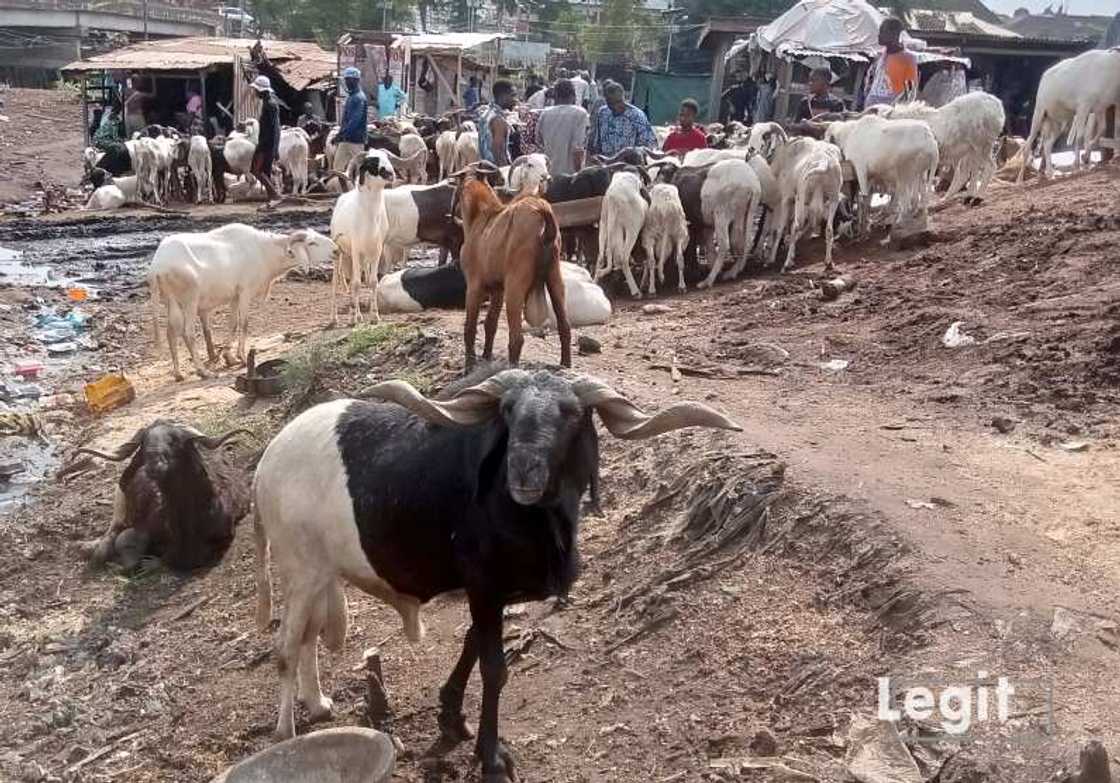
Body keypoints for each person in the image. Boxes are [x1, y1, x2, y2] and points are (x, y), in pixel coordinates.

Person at [587, 80, 656, 157]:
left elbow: (649, 144)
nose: (615, 106)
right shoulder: (603, 113)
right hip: (606, 162)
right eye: (611, 103)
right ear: (606, 101)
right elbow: (597, 141)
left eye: (618, 102)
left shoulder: (637, 116)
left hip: (628, 164)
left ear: (624, 98)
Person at [862, 17, 919, 109]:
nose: (879, 35)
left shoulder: (907, 58)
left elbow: (910, 91)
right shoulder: (879, 56)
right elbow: (869, 83)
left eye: (882, 32)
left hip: (890, 110)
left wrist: (899, 110)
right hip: (871, 109)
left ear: (894, 34)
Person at [536, 79, 589, 175]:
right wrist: (579, 174)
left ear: (555, 96)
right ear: (573, 95)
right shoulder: (580, 114)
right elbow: (577, 149)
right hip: (569, 175)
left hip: (548, 173)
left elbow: (538, 141)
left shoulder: (545, 113)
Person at [249, 75, 282, 206]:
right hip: (269, 144)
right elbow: (276, 129)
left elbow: (272, 130)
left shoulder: (270, 105)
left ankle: (274, 195)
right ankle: (271, 199)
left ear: (261, 91)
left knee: (257, 170)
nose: (254, 92)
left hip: (266, 144)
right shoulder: (270, 103)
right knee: (265, 171)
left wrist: (262, 146)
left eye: (256, 90)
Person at [334, 67, 368, 174]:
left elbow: (355, 121)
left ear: (356, 80)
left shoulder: (359, 98)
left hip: (356, 140)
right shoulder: (352, 97)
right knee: (337, 168)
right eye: (346, 79)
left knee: (360, 170)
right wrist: (341, 135)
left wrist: (341, 134)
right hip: (346, 140)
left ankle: (361, 190)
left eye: (349, 80)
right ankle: (341, 189)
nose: (347, 82)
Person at [478, 79, 517, 166]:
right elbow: (497, 152)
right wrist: (505, 174)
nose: (515, 100)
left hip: (484, 168)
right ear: (503, 96)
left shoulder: (486, 113)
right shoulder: (498, 121)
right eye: (513, 95)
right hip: (495, 172)